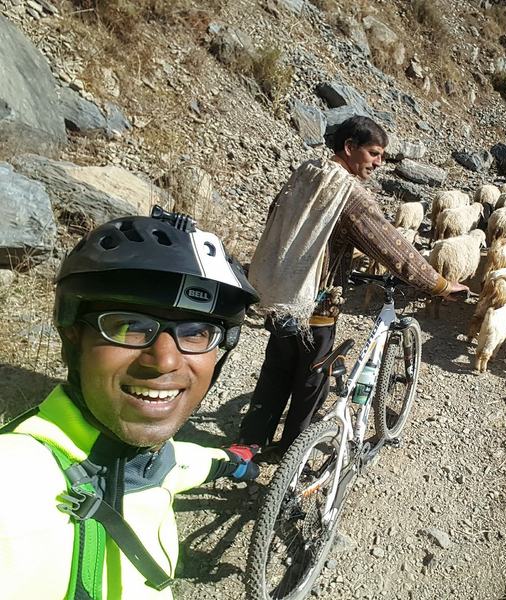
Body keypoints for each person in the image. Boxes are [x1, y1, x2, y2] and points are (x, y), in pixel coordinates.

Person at [0, 208, 261, 599]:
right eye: (129, 325)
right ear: (73, 336)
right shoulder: (17, 482)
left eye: (196, 332)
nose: (166, 361)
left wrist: (234, 460)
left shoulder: (157, 462)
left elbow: (188, 463)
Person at [235, 116, 468, 458]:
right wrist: (439, 283)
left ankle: (247, 446)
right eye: (374, 153)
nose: (379, 162)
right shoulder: (348, 194)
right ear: (349, 147)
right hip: (315, 304)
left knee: (275, 372)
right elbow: (390, 246)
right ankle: (293, 458)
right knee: (313, 380)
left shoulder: (307, 171)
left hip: (280, 292)